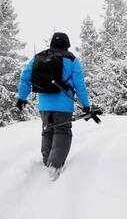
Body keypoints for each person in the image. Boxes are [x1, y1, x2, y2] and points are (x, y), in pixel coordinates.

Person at [16, 32, 91, 180]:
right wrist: (86, 105)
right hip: (63, 105)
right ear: (67, 44)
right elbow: (80, 85)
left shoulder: (39, 57)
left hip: (44, 105)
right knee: (62, 131)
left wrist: (21, 98)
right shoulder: (72, 60)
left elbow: (25, 77)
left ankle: (47, 161)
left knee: (47, 131)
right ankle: (54, 166)